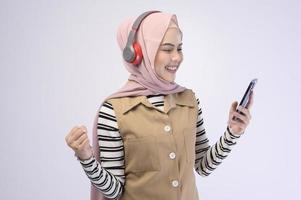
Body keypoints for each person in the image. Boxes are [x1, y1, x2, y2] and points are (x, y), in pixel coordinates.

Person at [65, 11, 254, 200]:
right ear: (138, 54)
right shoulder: (113, 111)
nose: (177, 57)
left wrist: (233, 132)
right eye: (167, 49)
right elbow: (114, 191)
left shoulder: (189, 101)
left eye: (179, 48)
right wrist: (87, 158)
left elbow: (203, 167)